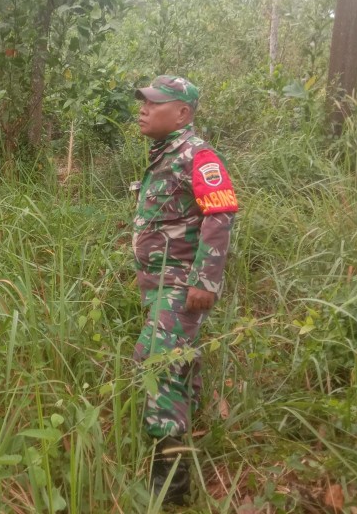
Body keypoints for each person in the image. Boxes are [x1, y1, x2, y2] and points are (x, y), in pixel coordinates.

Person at [131, 75, 238, 504]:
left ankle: (170, 487)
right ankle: (182, 463)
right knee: (179, 368)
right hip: (159, 285)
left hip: (180, 285)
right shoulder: (164, 154)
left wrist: (205, 280)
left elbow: (221, 215)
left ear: (182, 114)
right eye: (142, 101)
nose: (143, 108)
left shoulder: (198, 154)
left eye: (154, 103)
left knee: (154, 363)